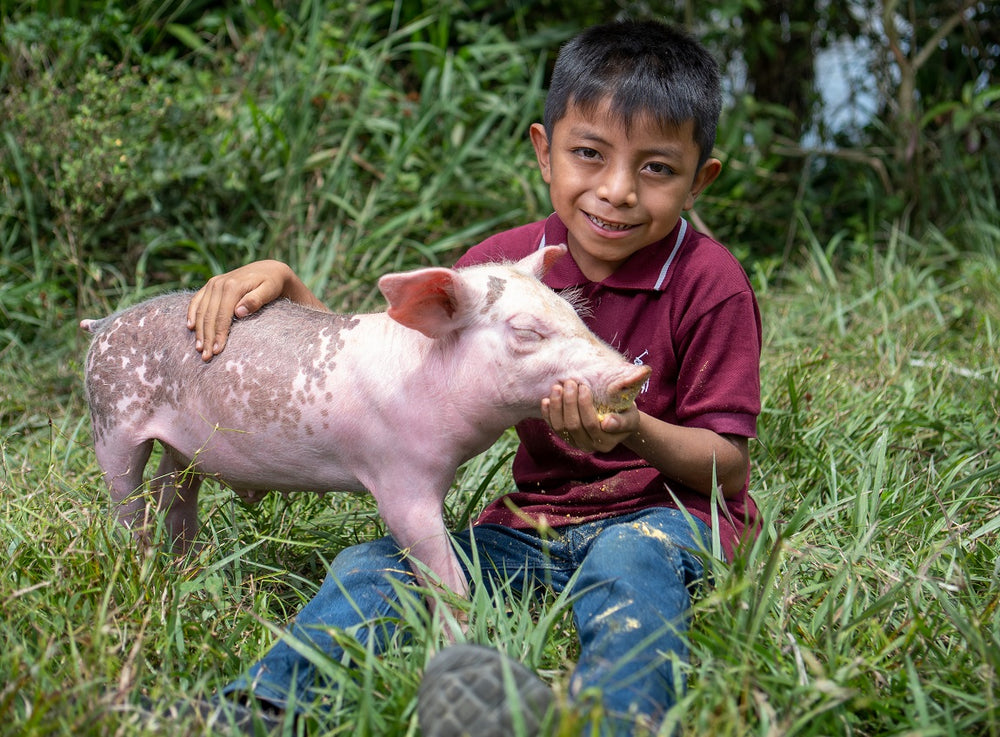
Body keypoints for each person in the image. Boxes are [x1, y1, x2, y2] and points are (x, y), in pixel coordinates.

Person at [180, 18, 761, 737]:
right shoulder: (498, 271)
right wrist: (287, 284)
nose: (616, 190)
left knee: (628, 560)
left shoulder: (711, 283)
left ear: (700, 178)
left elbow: (728, 468)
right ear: (544, 154)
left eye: (656, 168)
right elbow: (377, 378)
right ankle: (258, 708)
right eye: (589, 154)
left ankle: (610, 721)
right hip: (530, 527)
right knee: (377, 563)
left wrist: (633, 431)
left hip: (666, 521)